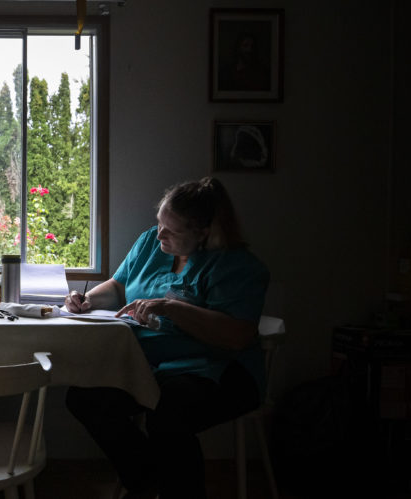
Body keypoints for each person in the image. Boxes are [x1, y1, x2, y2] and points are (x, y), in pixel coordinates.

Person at [63, 177, 269, 499]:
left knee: (167, 414)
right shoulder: (150, 243)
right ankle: (149, 483)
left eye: (171, 231)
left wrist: (172, 308)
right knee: (84, 398)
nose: (160, 234)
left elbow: (237, 336)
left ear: (204, 233)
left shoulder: (236, 265)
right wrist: (88, 300)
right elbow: (118, 287)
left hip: (221, 371)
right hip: (152, 366)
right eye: (159, 222)